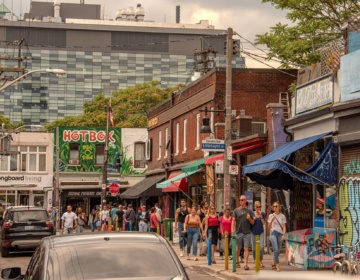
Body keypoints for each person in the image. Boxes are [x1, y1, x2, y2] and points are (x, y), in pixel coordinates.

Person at [231, 195, 254, 270]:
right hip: (239, 232)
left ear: (245, 201)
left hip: (247, 232)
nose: (241, 201)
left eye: (242, 200)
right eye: (240, 200)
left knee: (246, 248)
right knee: (238, 248)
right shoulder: (236, 210)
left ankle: (245, 264)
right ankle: (237, 261)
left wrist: (249, 218)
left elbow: (253, 222)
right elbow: (233, 221)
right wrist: (232, 230)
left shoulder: (249, 211)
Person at [268, 201, 287, 272]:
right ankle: (277, 265)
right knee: (275, 249)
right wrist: (271, 221)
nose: (275, 207)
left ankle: (273, 262)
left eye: (276, 206)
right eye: (274, 206)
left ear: (279, 207)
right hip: (273, 232)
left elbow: (284, 226)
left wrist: (284, 234)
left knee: (278, 251)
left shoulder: (282, 216)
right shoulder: (271, 216)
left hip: (280, 233)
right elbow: (268, 227)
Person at [251, 201, 266, 268]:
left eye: (260, 207)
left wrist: (261, 217)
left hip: (261, 232)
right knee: (254, 249)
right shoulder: (252, 214)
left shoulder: (262, 214)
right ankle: (256, 261)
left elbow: (263, 223)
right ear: (254, 207)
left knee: (261, 247)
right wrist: (252, 219)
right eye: (257, 207)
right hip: (253, 232)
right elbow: (251, 223)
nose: (258, 208)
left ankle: (260, 260)